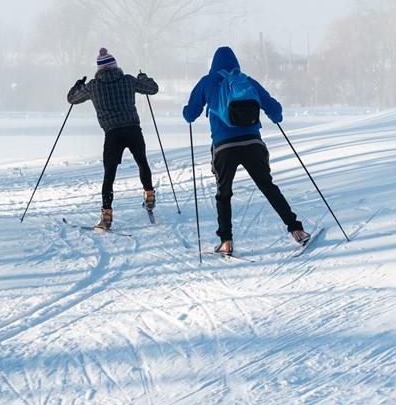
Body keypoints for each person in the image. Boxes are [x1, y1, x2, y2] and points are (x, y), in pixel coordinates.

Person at [182, 45, 309, 255]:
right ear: (235, 63)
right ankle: (297, 230)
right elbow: (275, 110)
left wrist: (188, 112)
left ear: (213, 63)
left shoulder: (207, 81)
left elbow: (190, 115)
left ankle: (226, 242)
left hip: (224, 147)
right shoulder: (247, 81)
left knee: (224, 194)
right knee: (268, 187)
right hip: (253, 144)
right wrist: (275, 117)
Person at [67, 47, 159, 231]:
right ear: (115, 66)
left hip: (112, 134)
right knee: (142, 161)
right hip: (133, 130)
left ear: (99, 69)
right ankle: (149, 196)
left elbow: (71, 99)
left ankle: (107, 215)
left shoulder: (93, 86)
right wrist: (143, 78)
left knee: (109, 174)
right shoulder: (128, 81)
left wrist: (77, 85)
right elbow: (153, 89)